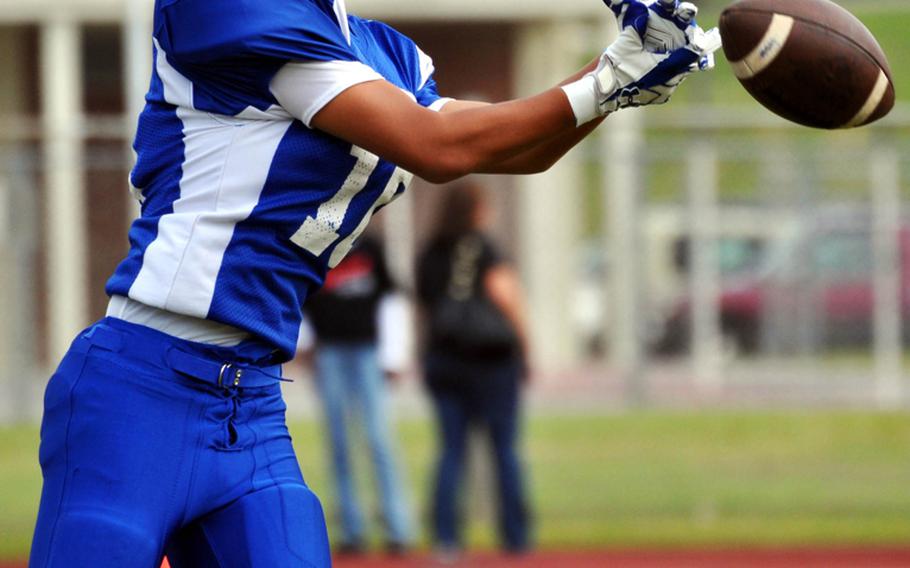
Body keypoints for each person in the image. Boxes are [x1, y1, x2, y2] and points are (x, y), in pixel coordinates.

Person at [29, 0, 720, 566]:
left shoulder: (381, 52)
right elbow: (437, 148)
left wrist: (615, 79)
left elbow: (500, 145)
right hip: (137, 391)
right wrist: (602, 84)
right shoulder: (227, 9)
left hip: (252, 407)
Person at [417, 182, 532, 556]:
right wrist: (527, 349)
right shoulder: (485, 248)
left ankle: (446, 538)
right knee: (504, 451)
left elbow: (425, 306)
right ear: (477, 210)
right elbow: (505, 295)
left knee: (451, 451)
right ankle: (514, 538)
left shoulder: (431, 252)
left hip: (445, 359)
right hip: (492, 361)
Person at [297, 234, 414, 554]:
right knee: (338, 442)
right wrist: (304, 343)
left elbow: (392, 298)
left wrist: (394, 353)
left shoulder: (372, 247)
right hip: (329, 352)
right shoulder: (318, 242)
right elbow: (302, 297)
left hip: (367, 351)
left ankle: (398, 527)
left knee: (379, 439)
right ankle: (351, 529)